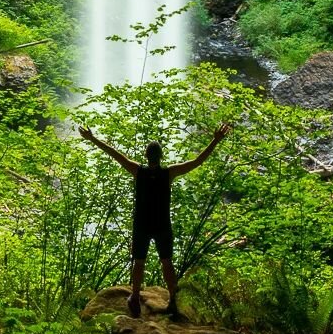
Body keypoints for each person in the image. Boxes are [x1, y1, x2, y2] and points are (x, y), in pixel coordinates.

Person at [78, 122, 233, 319]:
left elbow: (114, 153)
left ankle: (134, 297)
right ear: (160, 156)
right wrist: (215, 140)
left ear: (146, 155)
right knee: (166, 262)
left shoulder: (137, 170)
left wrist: (92, 139)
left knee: (139, 262)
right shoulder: (168, 173)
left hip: (142, 225)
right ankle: (173, 300)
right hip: (162, 225)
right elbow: (197, 161)